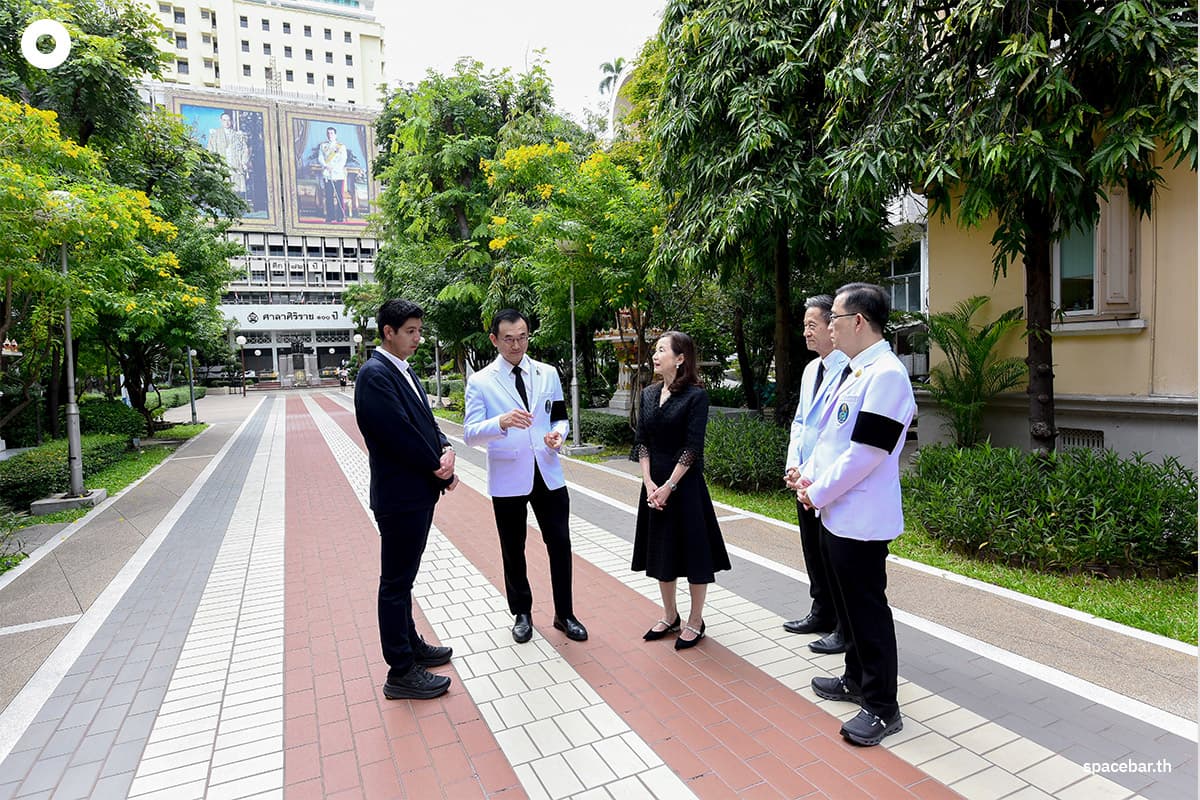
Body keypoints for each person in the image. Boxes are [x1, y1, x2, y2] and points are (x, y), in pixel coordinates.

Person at [793, 282, 915, 747]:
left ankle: (883, 707)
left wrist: (818, 491)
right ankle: (854, 679)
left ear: (858, 321)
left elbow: (866, 453)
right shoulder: (856, 371)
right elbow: (830, 438)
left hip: (860, 518)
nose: (829, 327)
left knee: (867, 613)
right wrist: (809, 478)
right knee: (847, 607)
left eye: (836, 319)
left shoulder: (885, 375)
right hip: (836, 511)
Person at [463, 309, 588, 644]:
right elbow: (470, 434)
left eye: (522, 337)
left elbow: (559, 417)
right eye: (508, 339)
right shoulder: (481, 381)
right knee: (512, 548)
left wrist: (557, 437)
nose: (516, 344)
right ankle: (521, 613)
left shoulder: (547, 373)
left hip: (548, 471)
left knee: (560, 543)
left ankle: (565, 613)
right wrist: (500, 422)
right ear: (494, 340)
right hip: (508, 476)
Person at [354, 299, 458, 700]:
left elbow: (425, 422)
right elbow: (397, 434)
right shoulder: (374, 375)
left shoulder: (401, 369)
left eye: (419, 330)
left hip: (416, 491)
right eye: (411, 331)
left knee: (404, 579)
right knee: (395, 583)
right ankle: (400, 670)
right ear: (389, 332)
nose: (418, 338)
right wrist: (437, 465)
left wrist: (445, 448)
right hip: (400, 496)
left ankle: (411, 643)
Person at [631, 331, 730, 650]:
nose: (654, 356)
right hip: (654, 487)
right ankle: (669, 614)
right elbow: (642, 440)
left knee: (694, 555)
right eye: (654, 351)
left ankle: (696, 620)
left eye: (661, 350)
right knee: (662, 552)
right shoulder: (647, 394)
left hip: (684, 488)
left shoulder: (696, 396)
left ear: (681, 358)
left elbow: (692, 447)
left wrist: (669, 486)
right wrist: (649, 483)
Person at [783, 296, 850, 655]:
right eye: (805, 325)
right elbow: (800, 423)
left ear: (831, 326)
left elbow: (834, 435)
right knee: (811, 549)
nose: (806, 332)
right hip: (804, 477)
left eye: (812, 325)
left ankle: (842, 624)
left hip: (826, 480)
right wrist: (794, 465)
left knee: (831, 553)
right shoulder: (812, 369)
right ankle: (821, 611)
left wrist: (809, 473)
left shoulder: (848, 371)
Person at [207, 112, 250, 195]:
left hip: (235, 165)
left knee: (235, 190)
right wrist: (213, 163)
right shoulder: (215, 134)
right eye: (224, 120)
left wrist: (243, 162)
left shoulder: (238, 135)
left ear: (232, 121)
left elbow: (245, 150)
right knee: (222, 190)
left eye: (229, 120)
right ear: (221, 121)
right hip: (221, 165)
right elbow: (210, 149)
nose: (227, 122)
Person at [318, 126, 348, 222]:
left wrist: (334, 169)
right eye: (328, 133)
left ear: (335, 134)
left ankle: (340, 216)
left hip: (338, 174)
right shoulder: (323, 146)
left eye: (331, 133)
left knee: (339, 195)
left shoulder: (341, 147)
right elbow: (320, 157)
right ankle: (330, 216)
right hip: (327, 174)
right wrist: (326, 166)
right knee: (329, 196)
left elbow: (343, 160)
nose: (329, 135)